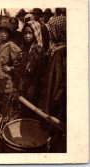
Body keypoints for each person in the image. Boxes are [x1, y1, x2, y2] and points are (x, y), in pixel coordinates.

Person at [38, 16, 67, 152]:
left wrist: (53, 98)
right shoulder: (59, 49)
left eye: (51, 30)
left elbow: (57, 78)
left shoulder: (61, 52)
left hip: (55, 94)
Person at [0, 21, 21, 120]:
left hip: (6, 81)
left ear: (9, 34)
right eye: (1, 32)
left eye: (5, 32)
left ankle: (5, 125)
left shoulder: (11, 45)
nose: (2, 34)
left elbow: (20, 61)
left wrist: (11, 68)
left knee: (6, 107)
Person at [19, 21, 45, 105]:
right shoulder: (24, 47)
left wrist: (32, 87)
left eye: (30, 33)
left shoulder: (38, 49)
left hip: (34, 85)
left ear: (36, 33)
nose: (27, 36)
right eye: (25, 33)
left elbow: (39, 71)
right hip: (25, 83)